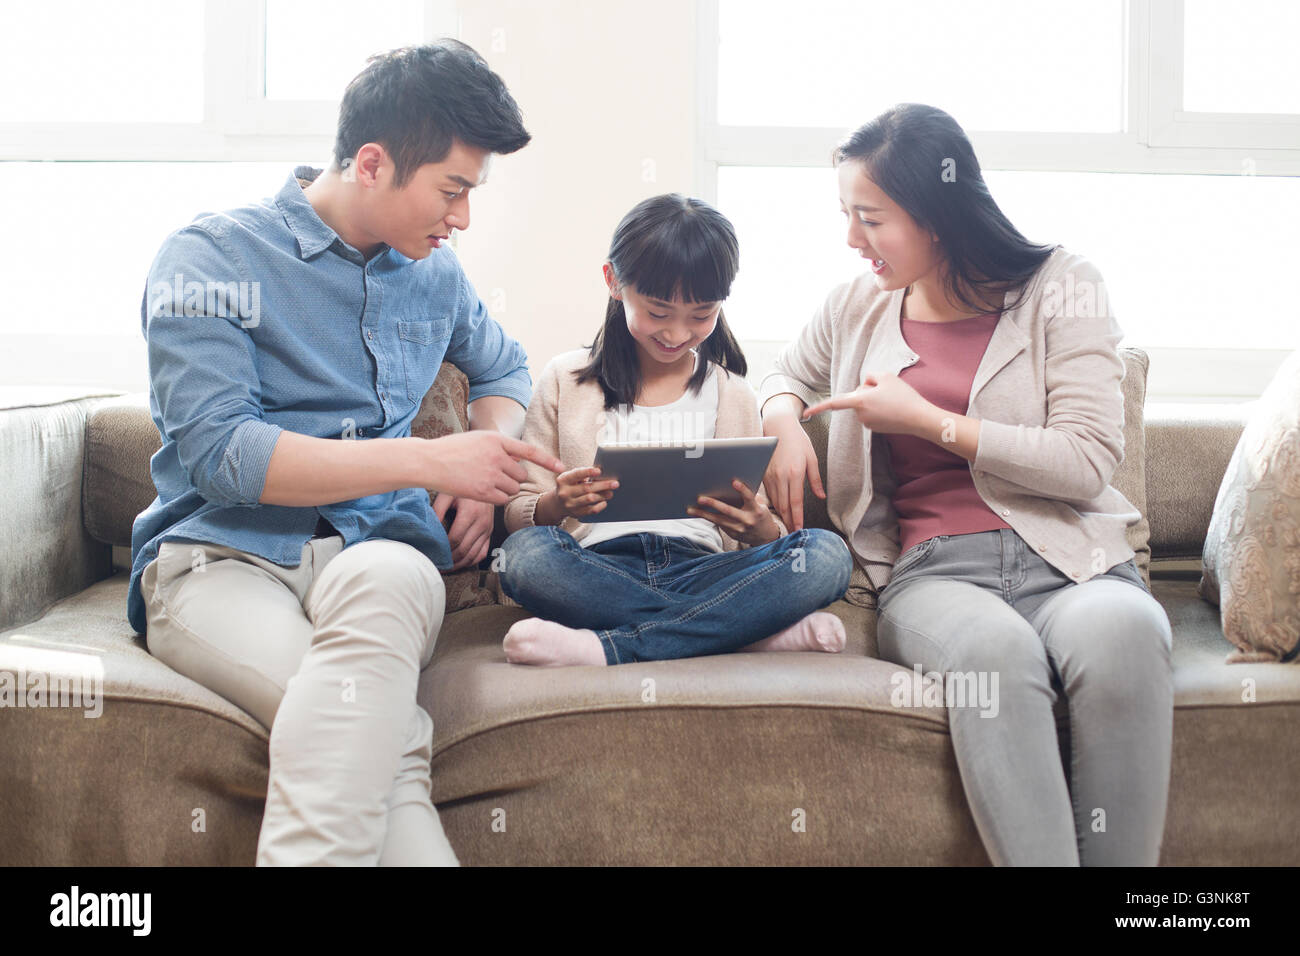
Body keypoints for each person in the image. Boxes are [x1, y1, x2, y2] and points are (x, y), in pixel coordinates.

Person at [129, 41, 564, 866]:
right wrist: (428, 463)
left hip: (379, 558)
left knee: (389, 606)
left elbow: (504, 366)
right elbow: (226, 454)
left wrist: (487, 463)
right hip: (223, 560)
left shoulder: (436, 273)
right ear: (372, 163)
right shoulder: (210, 259)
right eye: (452, 190)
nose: (462, 218)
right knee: (375, 733)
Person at [759, 104, 1173, 866]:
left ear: (937, 215)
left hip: (1072, 562)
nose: (852, 239)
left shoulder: (1063, 288)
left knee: (1128, 632)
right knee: (995, 654)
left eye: (870, 218)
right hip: (937, 573)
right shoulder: (857, 305)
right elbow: (785, 371)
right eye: (848, 215)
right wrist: (784, 421)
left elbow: (1086, 460)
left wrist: (930, 421)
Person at [497, 194, 853, 667]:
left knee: (826, 555)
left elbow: (761, 525)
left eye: (701, 315)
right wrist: (558, 504)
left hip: (707, 568)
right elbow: (517, 514)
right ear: (614, 283)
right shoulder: (564, 379)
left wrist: (762, 528)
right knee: (526, 557)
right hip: (598, 569)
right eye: (659, 313)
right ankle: (738, 631)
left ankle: (610, 646)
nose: (676, 333)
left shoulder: (734, 394)